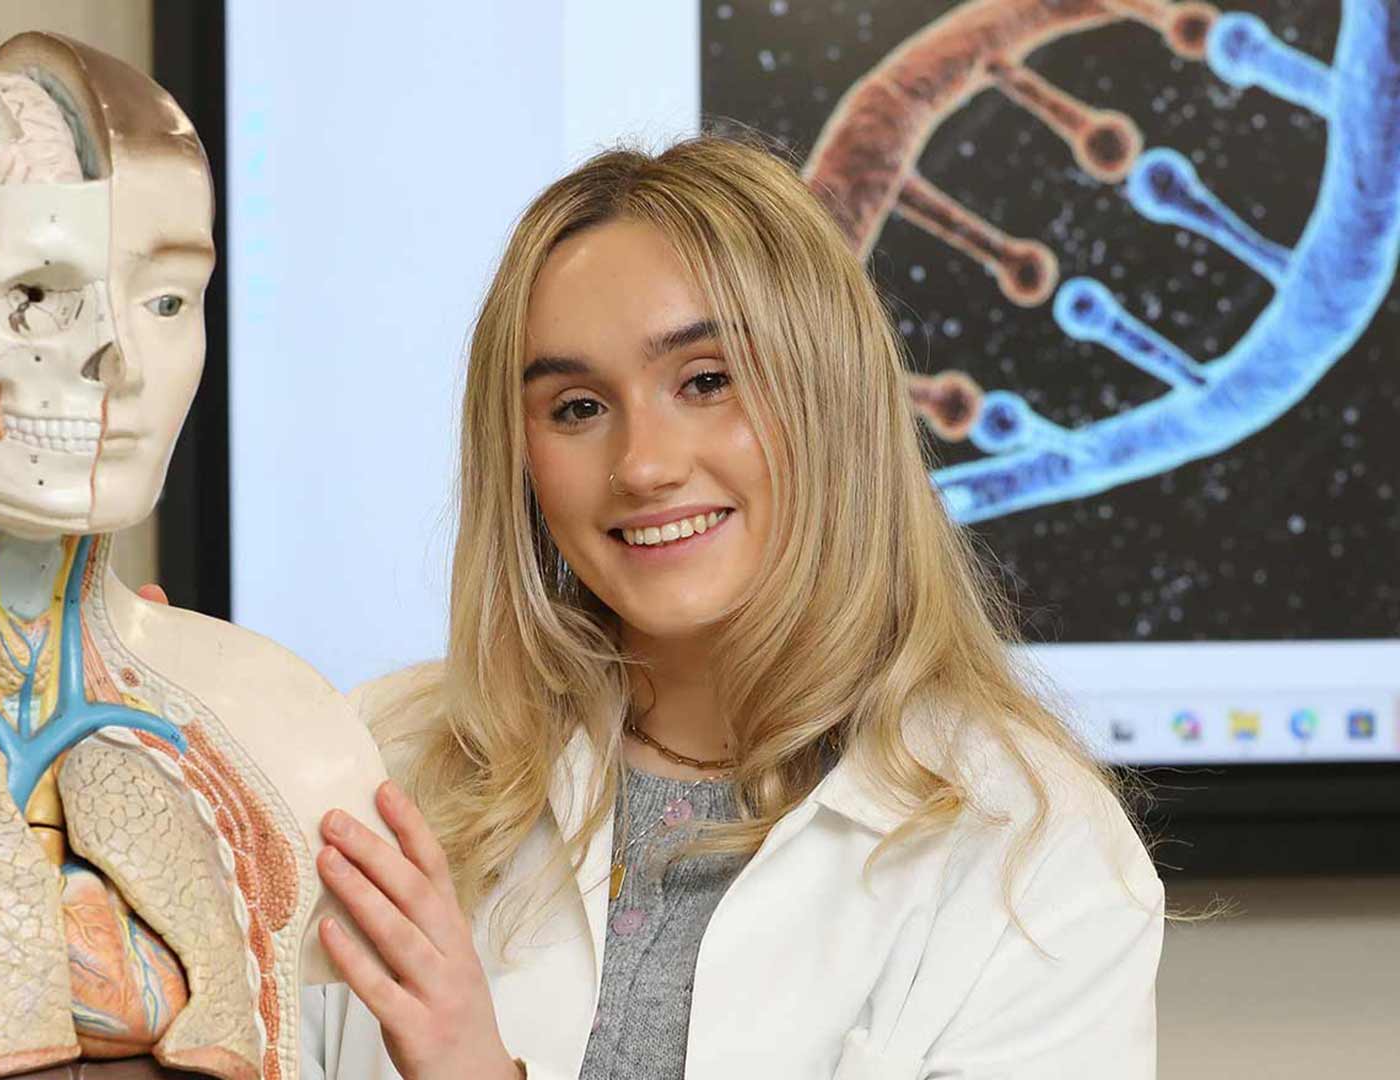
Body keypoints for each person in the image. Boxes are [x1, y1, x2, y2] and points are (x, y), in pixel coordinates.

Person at [294, 135, 1164, 1079]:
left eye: (707, 382)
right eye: (578, 407)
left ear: (834, 400)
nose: (644, 465)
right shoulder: (373, 764)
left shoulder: (1036, 857)